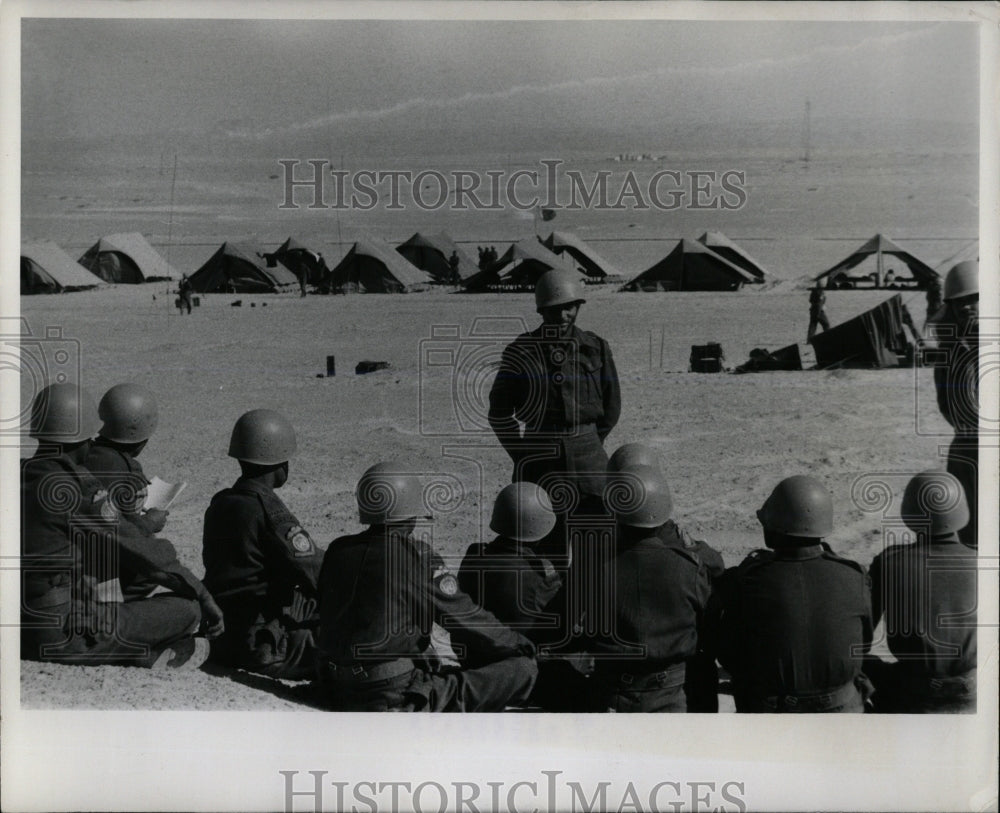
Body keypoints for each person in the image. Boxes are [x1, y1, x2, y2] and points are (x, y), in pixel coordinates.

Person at [21, 383, 223, 669]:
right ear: (80, 439)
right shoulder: (74, 487)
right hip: (59, 632)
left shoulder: (17, 475)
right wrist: (201, 594)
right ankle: (144, 653)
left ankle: (142, 651)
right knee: (186, 610)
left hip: (16, 624)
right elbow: (144, 551)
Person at [316, 462, 538, 712]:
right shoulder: (417, 556)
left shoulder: (338, 549)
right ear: (411, 515)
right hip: (387, 692)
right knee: (523, 670)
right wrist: (517, 643)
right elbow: (464, 617)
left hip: (331, 684)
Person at [705, 475, 873, 713]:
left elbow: (729, 655)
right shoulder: (853, 576)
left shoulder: (747, 580)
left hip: (774, 712)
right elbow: (862, 643)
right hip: (842, 709)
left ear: (774, 526)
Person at [566, 465, 712, 712]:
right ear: (663, 514)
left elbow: (574, 626)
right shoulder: (688, 567)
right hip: (671, 691)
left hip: (610, 690)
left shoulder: (592, 568)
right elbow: (705, 625)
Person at [488, 269, 621, 526]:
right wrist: (522, 453)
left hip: (590, 466)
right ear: (540, 310)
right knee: (541, 541)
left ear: (578, 306)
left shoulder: (596, 348)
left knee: (594, 541)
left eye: (569, 307)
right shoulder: (521, 351)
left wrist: (589, 440)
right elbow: (499, 412)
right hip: (539, 463)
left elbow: (611, 406)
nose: (562, 315)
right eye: (554, 309)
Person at [202, 409, 323, 679]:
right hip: (260, 643)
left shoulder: (221, 502)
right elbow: (314, 570)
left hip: (222, 635)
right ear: (280, 464)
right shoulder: (269, 511)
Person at [866, 470, 976, 713]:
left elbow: (861, 635)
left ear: (910, 514)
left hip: (913, 691)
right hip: (974, 689)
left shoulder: (889, 563)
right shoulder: (983, 563)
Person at [933, 260, 978, 549]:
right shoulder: (950, 355)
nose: (965, 308)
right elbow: (952, 408)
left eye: (973, 300)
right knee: (972, 535)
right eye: (958, 303)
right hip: (969, 453)